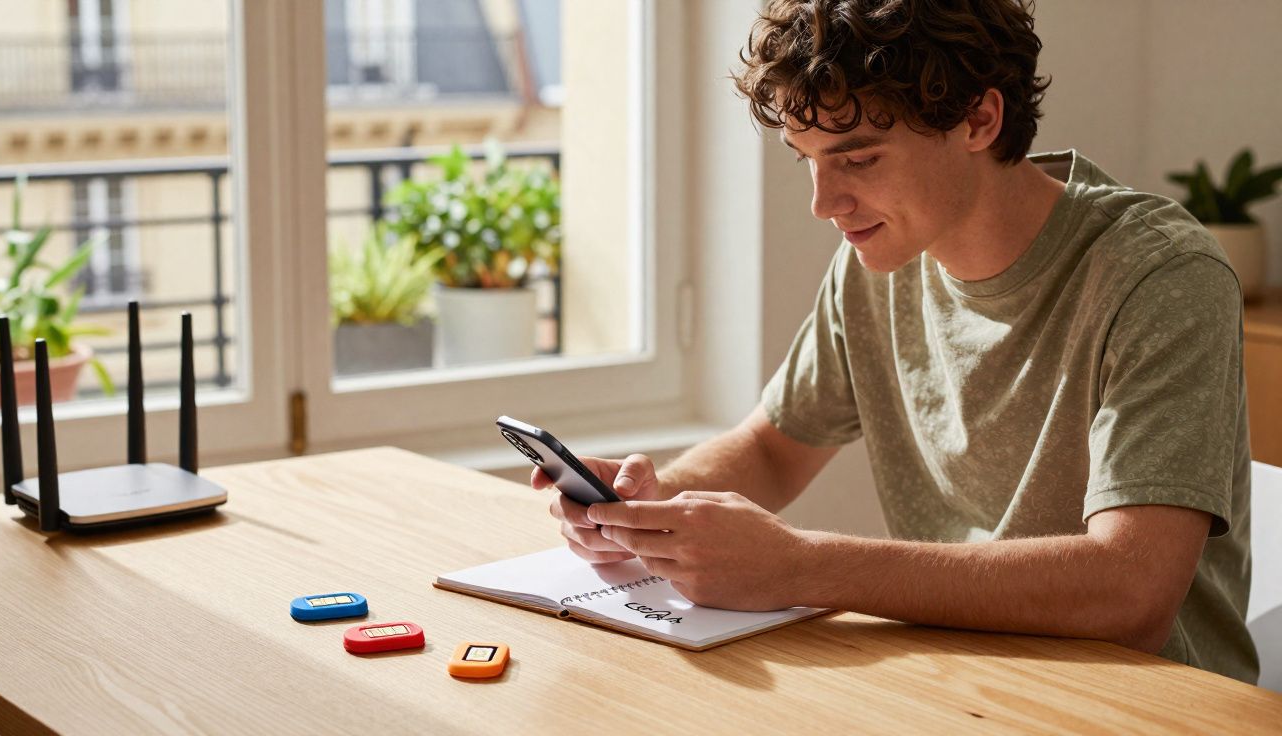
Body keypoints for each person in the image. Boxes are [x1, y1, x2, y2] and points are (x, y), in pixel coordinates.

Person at [531, 0, 1257, 683]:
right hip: (959, 680)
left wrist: (800, 565)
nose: (824, 204)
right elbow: (774, 449)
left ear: (979, 119)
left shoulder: (1160, 275)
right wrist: (650, 507)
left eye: (858, 159)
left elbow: (1130, 593)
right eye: (808, 160)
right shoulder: (877, 261)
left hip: (1146, 702)